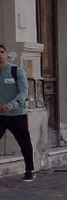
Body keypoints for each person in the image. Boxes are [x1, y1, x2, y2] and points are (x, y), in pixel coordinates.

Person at [0, 43, 35, 181]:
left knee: (24, 142)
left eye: (1, 51)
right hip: (1, 115)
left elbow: (23, 92)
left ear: (6, 54)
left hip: (17, 114)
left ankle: (30, 170)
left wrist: (12, 104)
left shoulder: (16, 71)